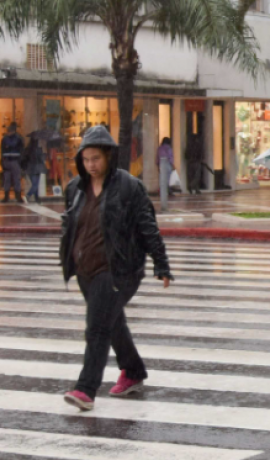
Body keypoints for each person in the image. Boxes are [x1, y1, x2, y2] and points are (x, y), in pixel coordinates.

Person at [60, 125, 174, 411]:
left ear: (109, 156)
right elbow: (71, 225)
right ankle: (133, 371)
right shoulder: (75, 188)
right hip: (86, 269)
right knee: (112, 324)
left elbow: (148, 227)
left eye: (96, 159)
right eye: (86, 159)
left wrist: (161, 263)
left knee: (97, 327)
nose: (91, 165)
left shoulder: (128, 186)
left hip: (119, 269)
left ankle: (85, 389)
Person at [0, 122, 25, 203]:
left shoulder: (5, 139)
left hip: (8, 161)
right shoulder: (19, 138)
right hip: (14, 161)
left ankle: (7, 197)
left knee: (8, 179)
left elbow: (2, 151)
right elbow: (22, 150)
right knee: (16, 179)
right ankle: (18, 197)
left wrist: (2, 161)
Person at [25, 137, 48, 204]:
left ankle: (37, 198)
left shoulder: (27, 149)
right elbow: (42, 158)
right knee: (36, 184)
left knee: (35, 184)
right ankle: (29, 195)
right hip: (37, 168)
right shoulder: (38, 150)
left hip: (30, 168)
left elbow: (25, 159)